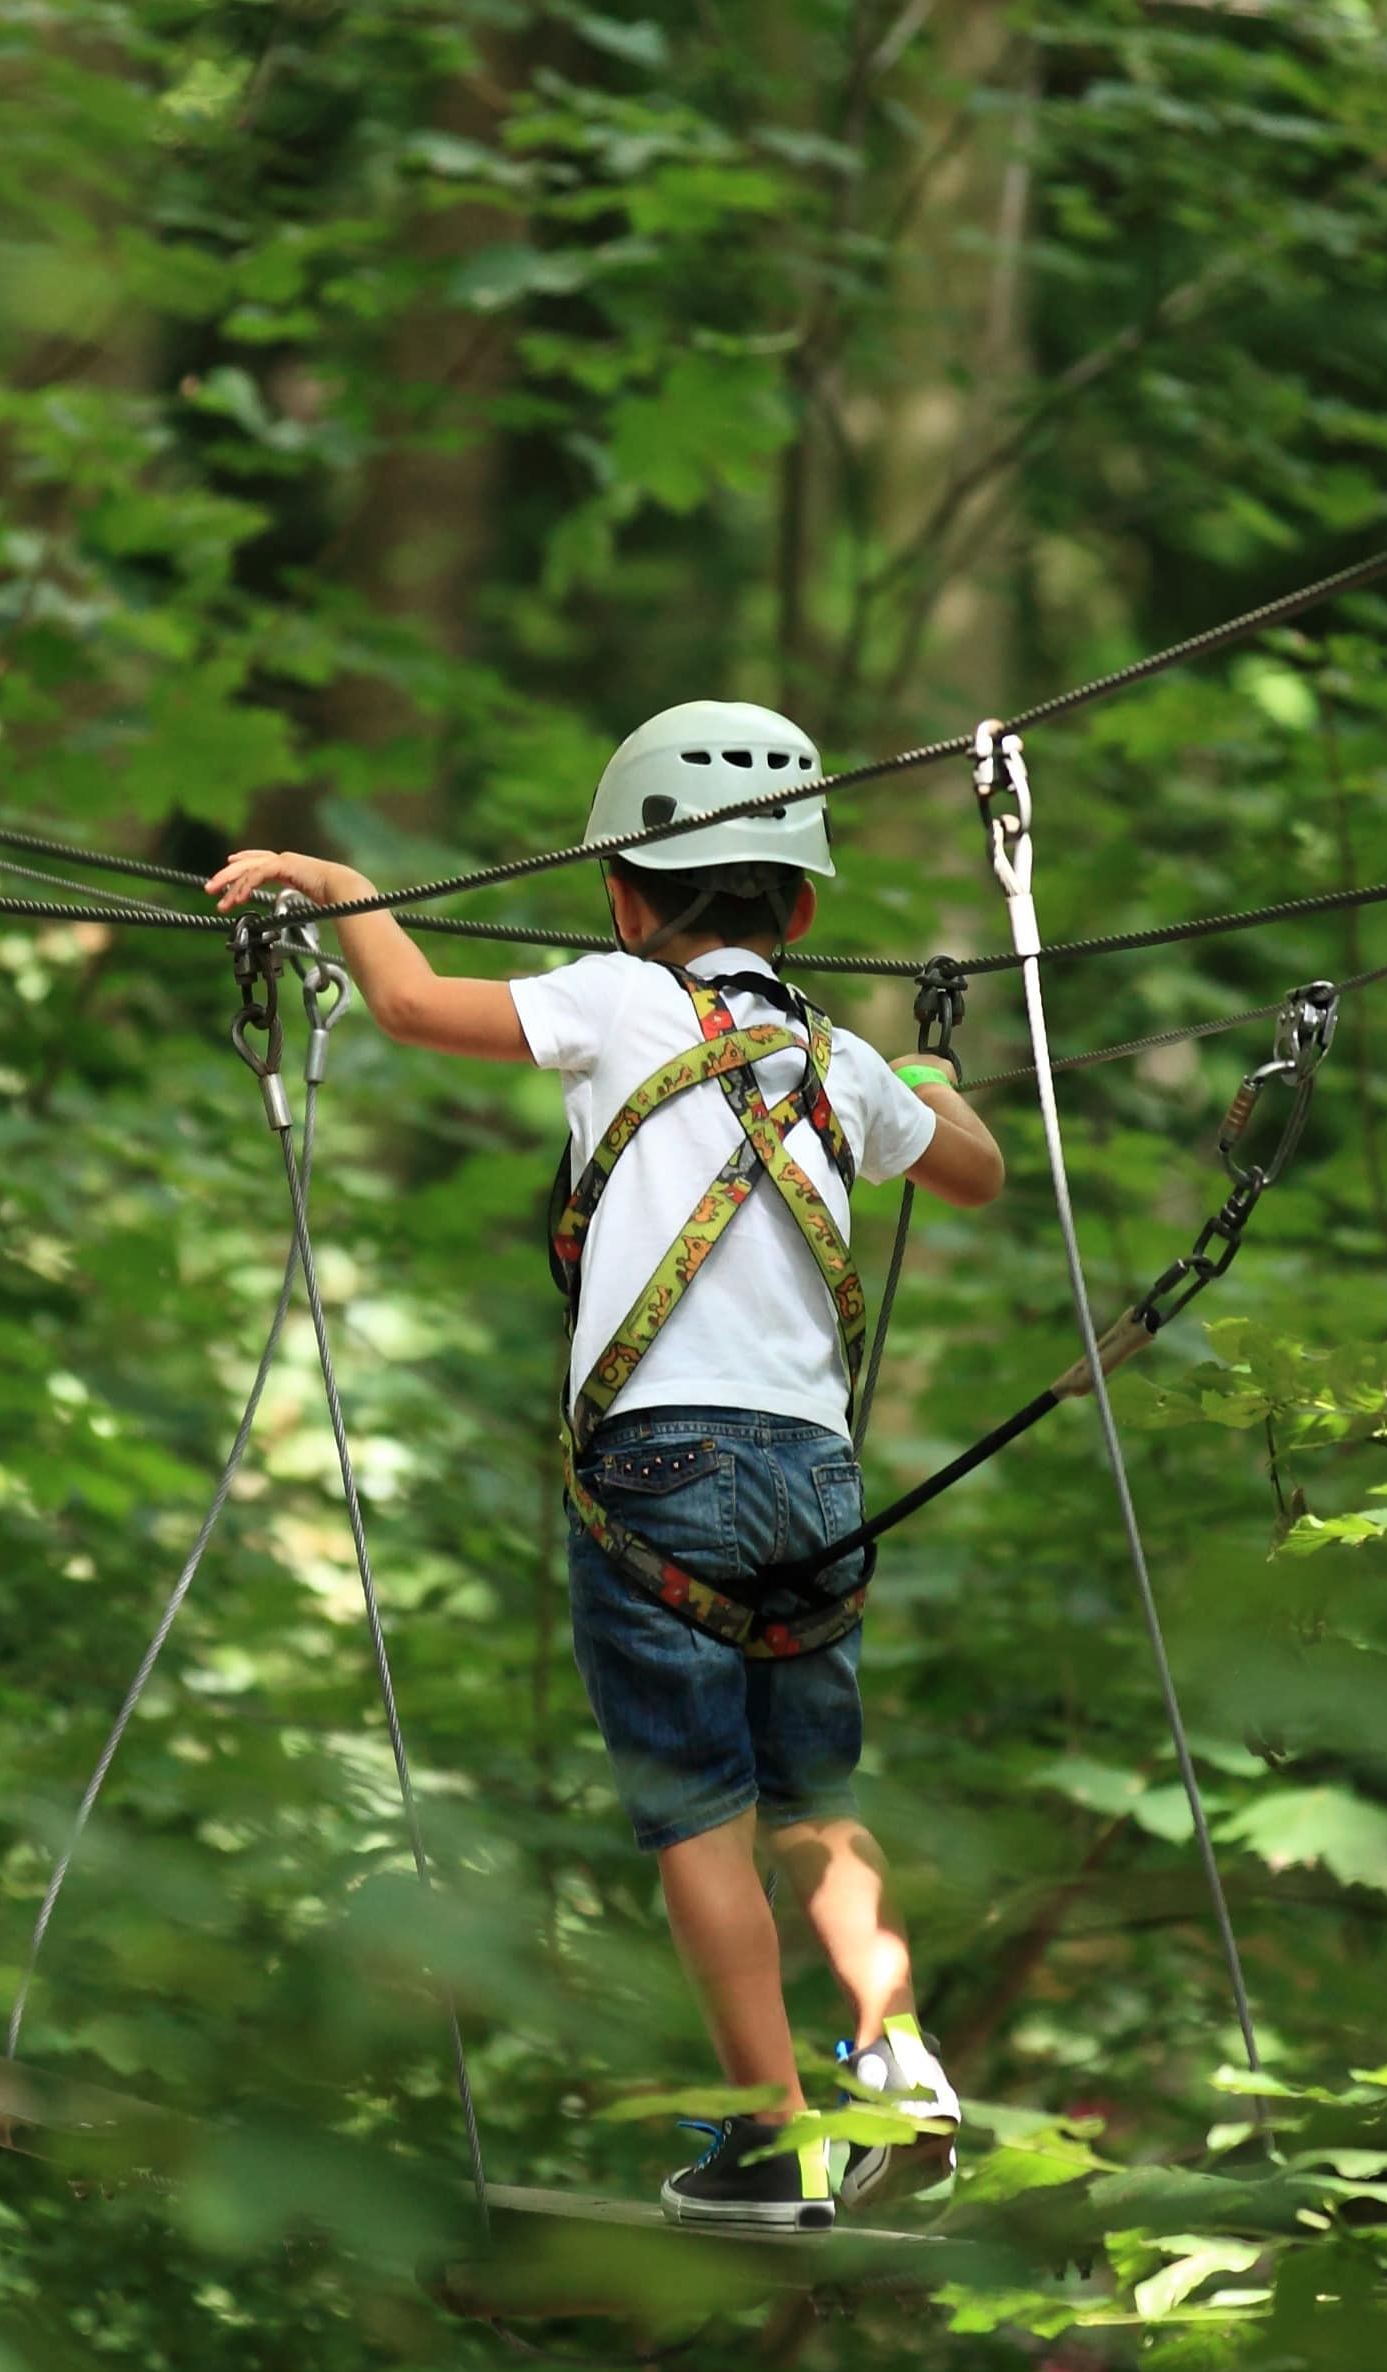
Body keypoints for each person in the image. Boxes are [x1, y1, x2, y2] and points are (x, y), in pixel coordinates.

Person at [207, 700, 1008, 2230]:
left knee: (698, 1808)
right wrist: (935, 1079)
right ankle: (894, 2046)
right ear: (807, 908)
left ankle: (776, 2138)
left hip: (662, 1475)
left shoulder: (612, 1001)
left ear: (627, 899)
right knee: (812, 1792)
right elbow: (969, 1173)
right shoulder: (842, 1063)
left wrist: (328, 876)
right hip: (818, 1487)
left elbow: (416, 1006)